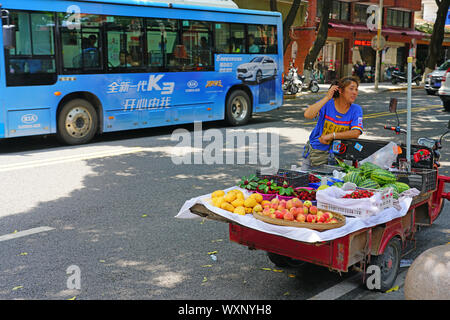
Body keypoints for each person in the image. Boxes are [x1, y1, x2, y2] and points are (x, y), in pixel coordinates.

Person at [301, 76, 363, 170]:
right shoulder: (327, 104)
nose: (355, 92)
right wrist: (327, 97)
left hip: (338, 157)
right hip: (316, 154)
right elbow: (308, 115)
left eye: (356, 90)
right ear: (340, 91)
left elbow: (356, 132)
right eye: (351, 89)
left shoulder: (356, 109)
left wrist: (332, 135)